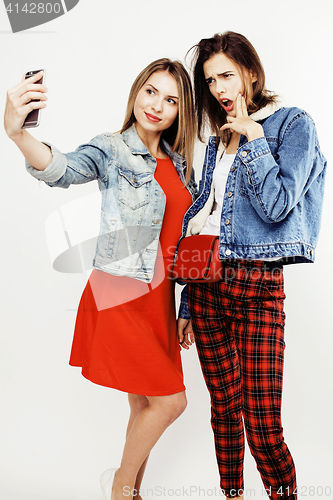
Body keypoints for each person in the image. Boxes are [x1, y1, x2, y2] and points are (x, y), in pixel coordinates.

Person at [4, 58, 197, 500]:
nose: (157, 106)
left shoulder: (181, 162)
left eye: (171, 99)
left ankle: (131, 493)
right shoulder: (112, 148)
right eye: (151, 91)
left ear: (180, 110)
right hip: (122, 291)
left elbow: (184, 239)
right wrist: (18, 134)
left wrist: (186, 305)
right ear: (136, 91)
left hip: (161, 300)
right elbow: (63, 169)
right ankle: (120, 490)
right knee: (171, 403)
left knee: (147, 404)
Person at [176, 32, 327, 500]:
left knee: (262, 425)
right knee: (223, 411)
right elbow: (208, 218)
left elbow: (279, 206)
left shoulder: (292, 125)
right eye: (210, 80)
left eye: (226, 75)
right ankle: (233, 495)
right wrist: (186, 298)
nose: (219, 88)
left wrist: (255, 139)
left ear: (251, 73)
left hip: (258, 286)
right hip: (207, 289)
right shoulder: (215, 139)